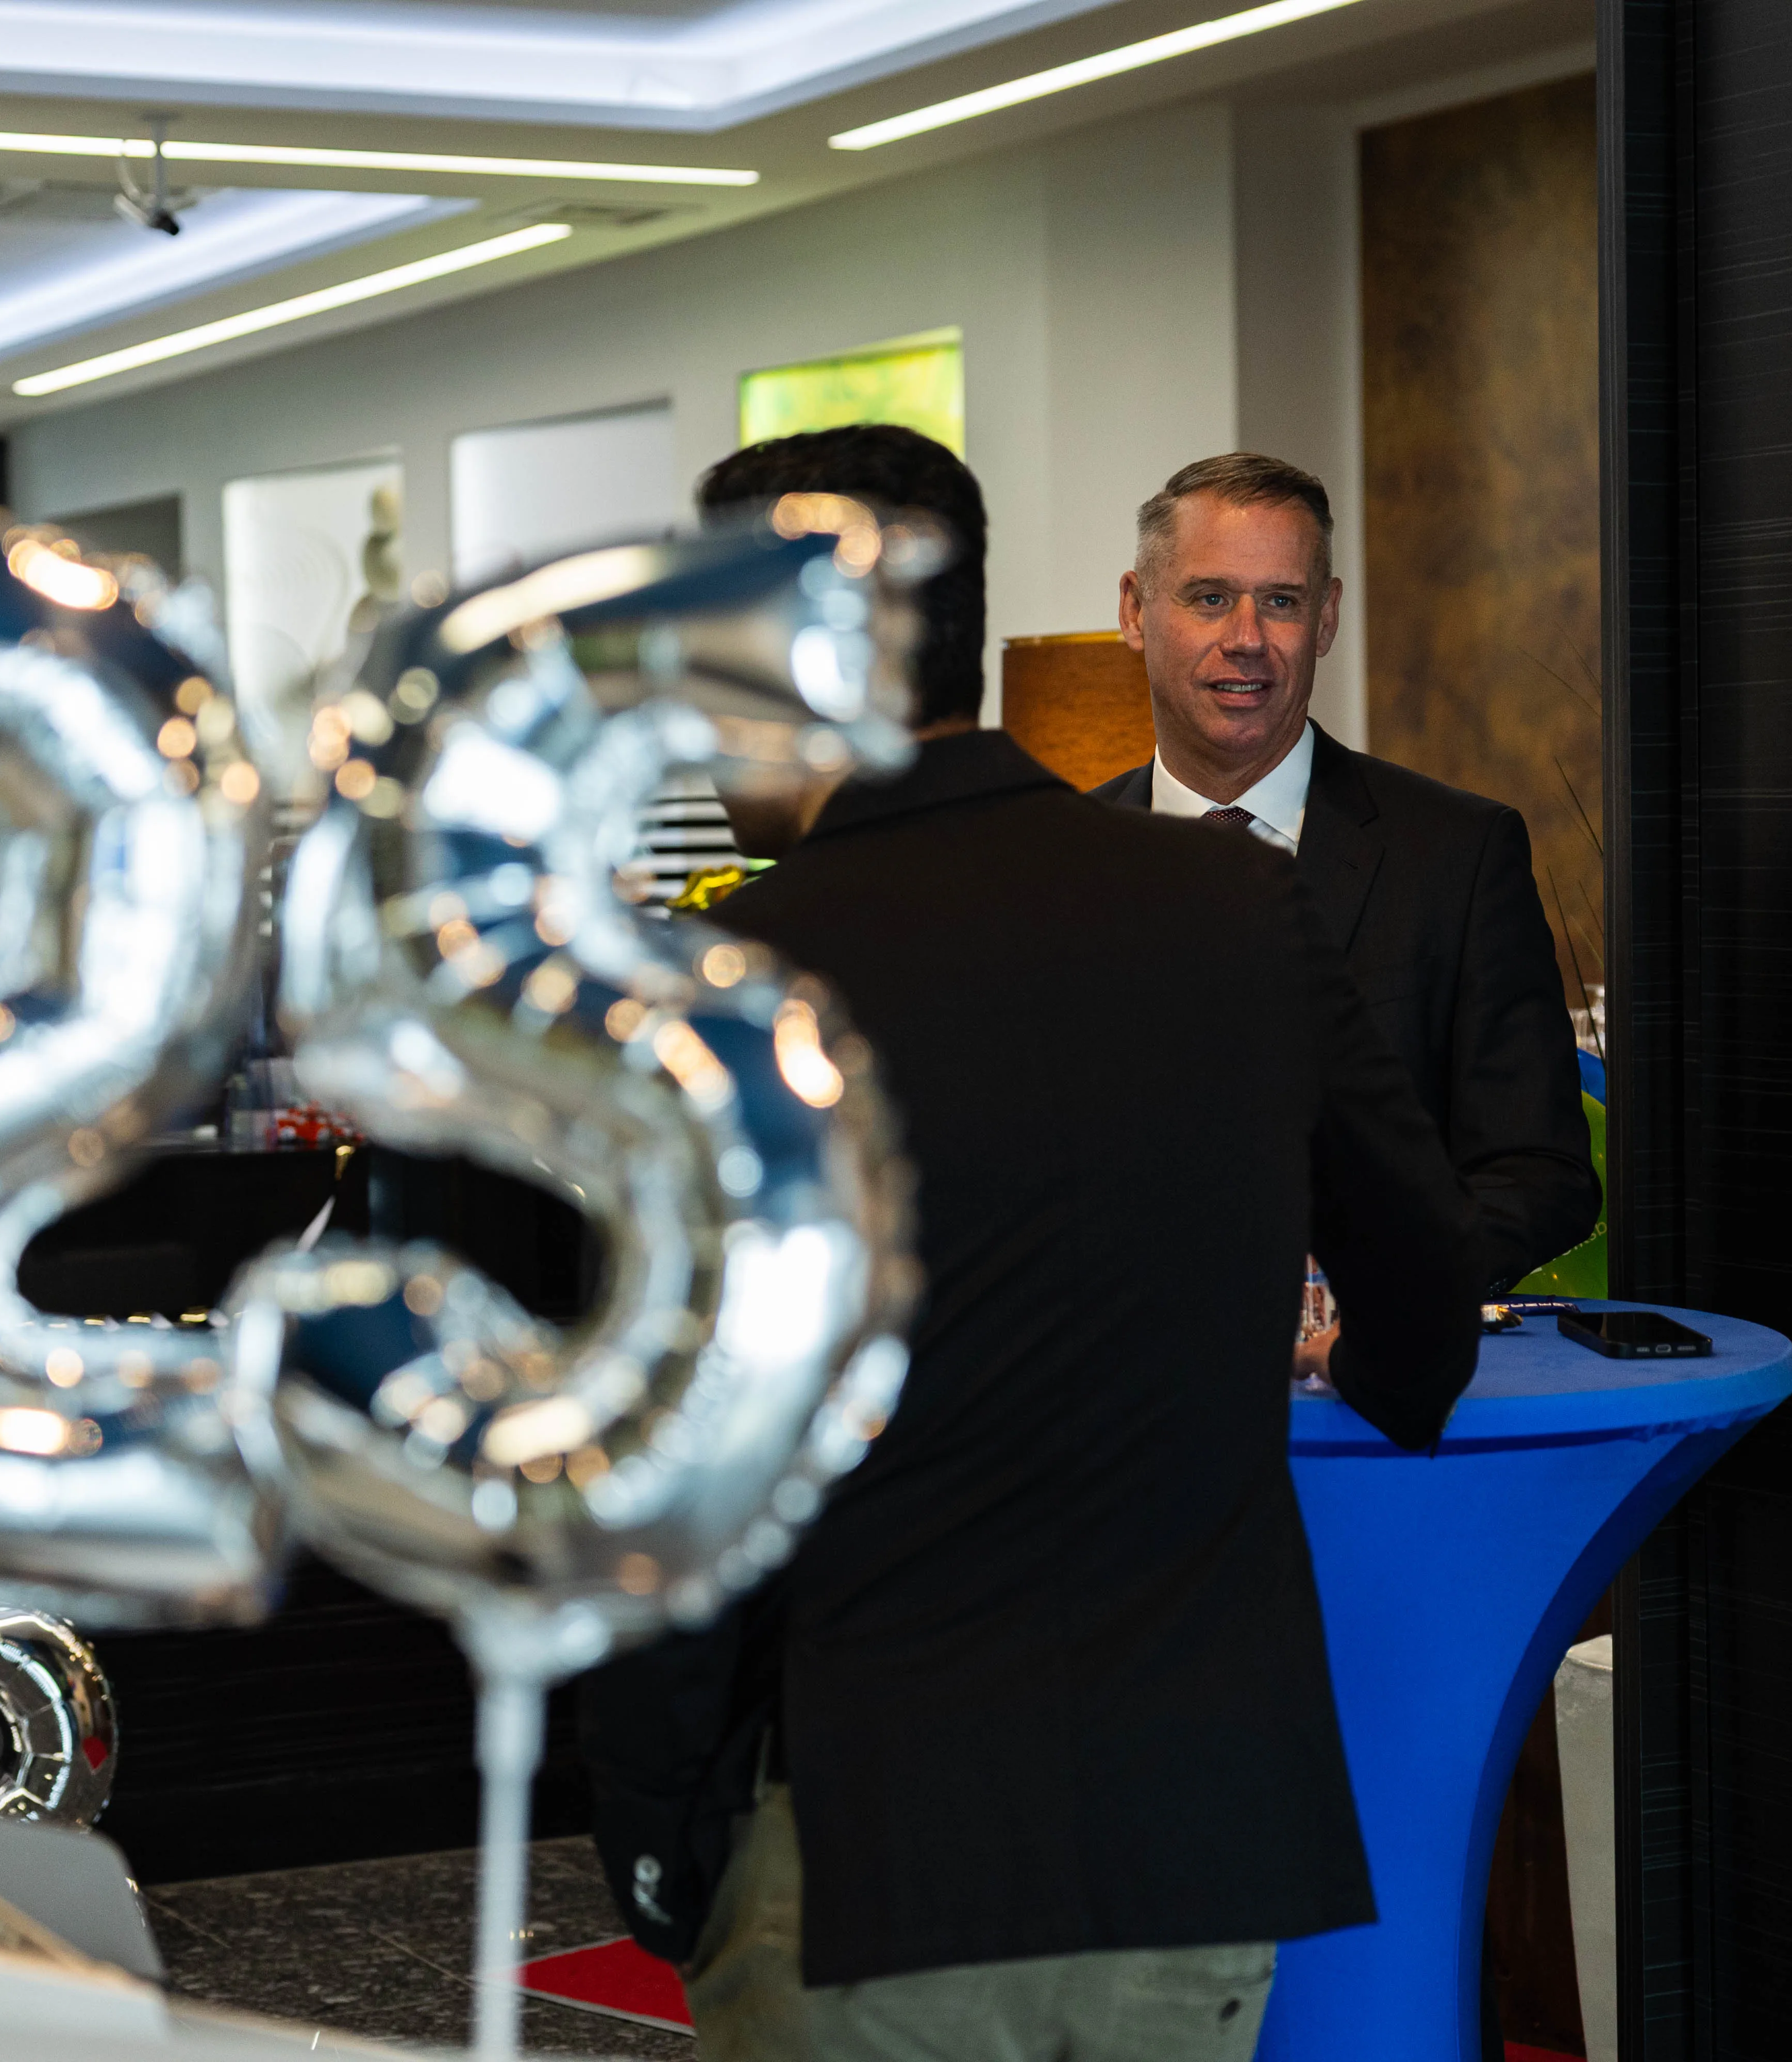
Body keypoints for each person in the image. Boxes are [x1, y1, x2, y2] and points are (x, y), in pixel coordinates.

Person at [577, 423, 1486, 2062]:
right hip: (1199, 1838)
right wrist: (1376, 1375)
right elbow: (1424, 1282)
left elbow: (668, 1486)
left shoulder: (726, 998)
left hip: (872, 1848)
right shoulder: (1238, 907)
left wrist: (661, 1843)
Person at [1088, 454, 1597, 1293]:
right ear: (1135, 611)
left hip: (1372, 1363)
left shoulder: (1460, 857)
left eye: (1281, 602)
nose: (1246, 638)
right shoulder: (1051, 869)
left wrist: (1378, 1284)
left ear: (1325, 619)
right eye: (1210, 598)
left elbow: (1540, 1172)